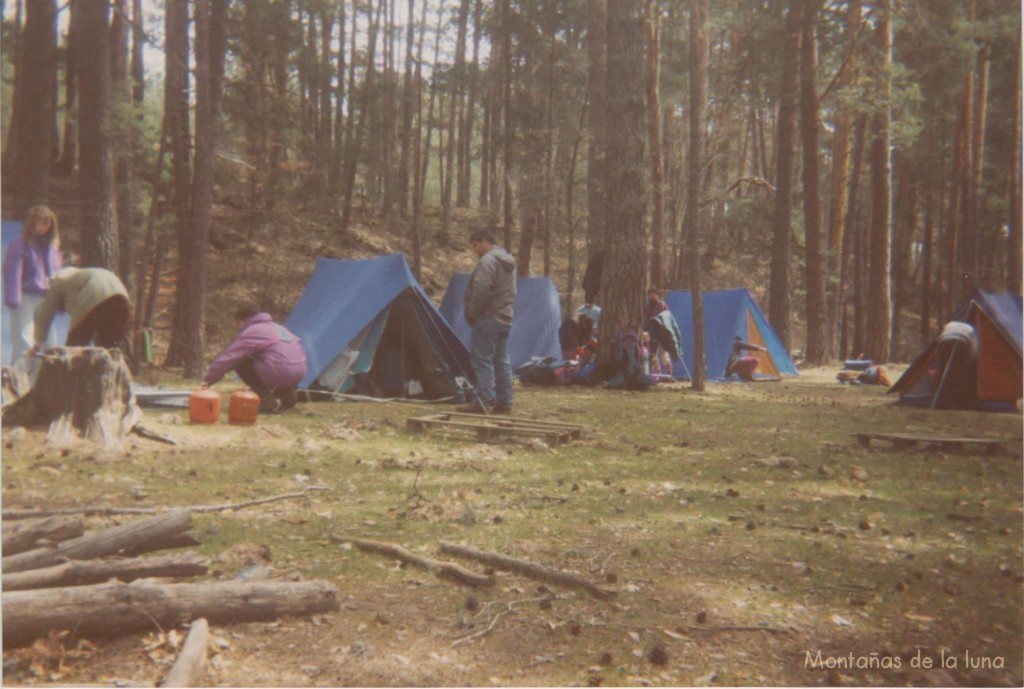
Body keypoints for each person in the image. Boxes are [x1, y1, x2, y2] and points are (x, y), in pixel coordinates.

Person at [203, 306, 308, 413]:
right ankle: (288, 396)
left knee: (240, 362)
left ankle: (266, 398)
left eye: (237, 324)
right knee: (278, 362)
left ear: (243, 321)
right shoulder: (279, 328)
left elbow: (229, 358)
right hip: (299, 372)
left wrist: (207, 381)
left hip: (278, 371)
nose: (238, 327)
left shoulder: (253, 330)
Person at [461, 228, 516, 414]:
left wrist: (472, 312)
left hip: (488, 317)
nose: (475, 250)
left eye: (475, 245)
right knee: (501, 361)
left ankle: (482, 402)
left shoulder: (488, 261)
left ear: (484, 240)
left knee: (482, 360)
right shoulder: (507, 261)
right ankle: (504, 402)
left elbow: (482, 289)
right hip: (505, 317)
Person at [3, 205, 62, 363]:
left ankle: (46, 381)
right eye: (38, 223)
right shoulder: (20, 244)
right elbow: (12, 271)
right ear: (31, 224)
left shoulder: (51, 247)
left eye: (46, 223)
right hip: (25, 297)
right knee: (24, 341)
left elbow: (57, 275)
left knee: (49, 341)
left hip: (45, 299)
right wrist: (14, 297)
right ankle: (17, 381)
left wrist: (58, 300)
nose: (42, 227)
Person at [33, 266, 131, 353]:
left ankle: (70, 374)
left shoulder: (58, 281)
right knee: (108, 349)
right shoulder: (79, 277)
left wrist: (38, 344)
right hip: (122, 298)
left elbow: (45, 313)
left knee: (74, 349)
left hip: (95, 293)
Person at [643, 288, 672, 375]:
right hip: (651, 331)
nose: (651, 297)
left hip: (661, 330)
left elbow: (667, 317)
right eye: (649, 295)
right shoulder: (647, 307)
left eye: (652, 294)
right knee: (652, 351)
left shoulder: (662, 305)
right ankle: (656, 369)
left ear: (656, 295)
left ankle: (668, 369)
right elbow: (646, 319)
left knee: (663, 350)